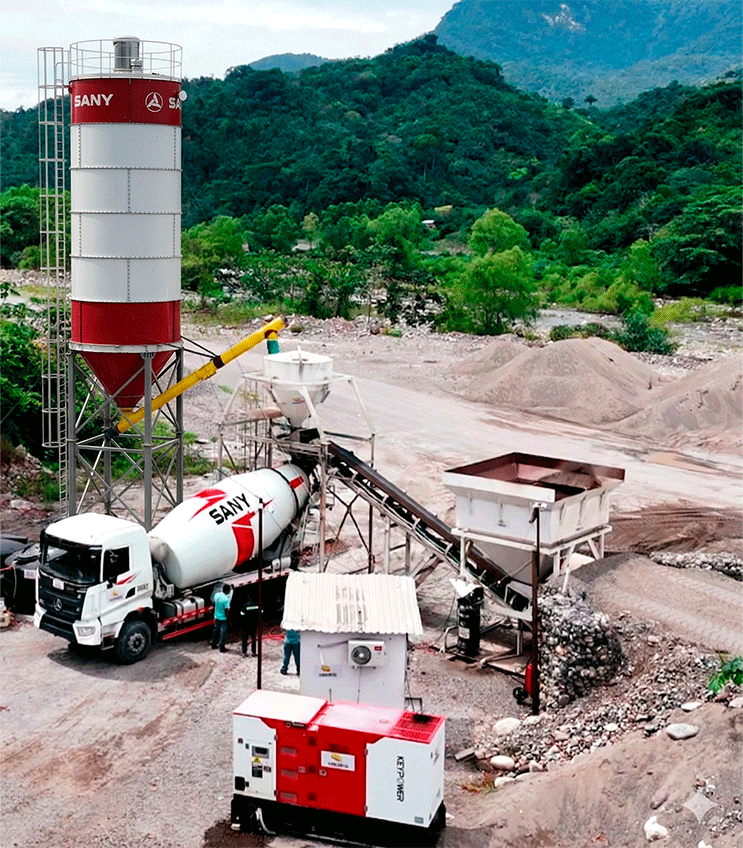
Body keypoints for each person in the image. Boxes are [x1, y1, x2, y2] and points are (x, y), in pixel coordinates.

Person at [210, 584, 232, 652]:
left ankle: (213, 644)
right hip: (223, 619)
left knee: (216, 631)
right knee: (223, 633)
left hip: (216, 617)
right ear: (227, 590)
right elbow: (227, 611)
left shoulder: (217, 595)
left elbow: (214, 603)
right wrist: (229, 620)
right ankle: (222, 647)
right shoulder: (226, 599)